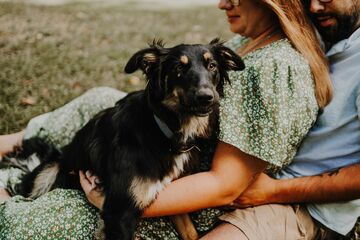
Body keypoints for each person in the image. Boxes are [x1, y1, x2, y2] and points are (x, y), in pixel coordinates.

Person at [0, 0, 333, 239]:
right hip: (160, 159)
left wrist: (116, 201)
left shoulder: (279, 68)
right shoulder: (245, 41)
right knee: (102, 102)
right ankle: (19, 154)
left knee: (32, 222)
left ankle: (10, 186)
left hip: (182, 196)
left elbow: (225, 185)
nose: (222, 3)